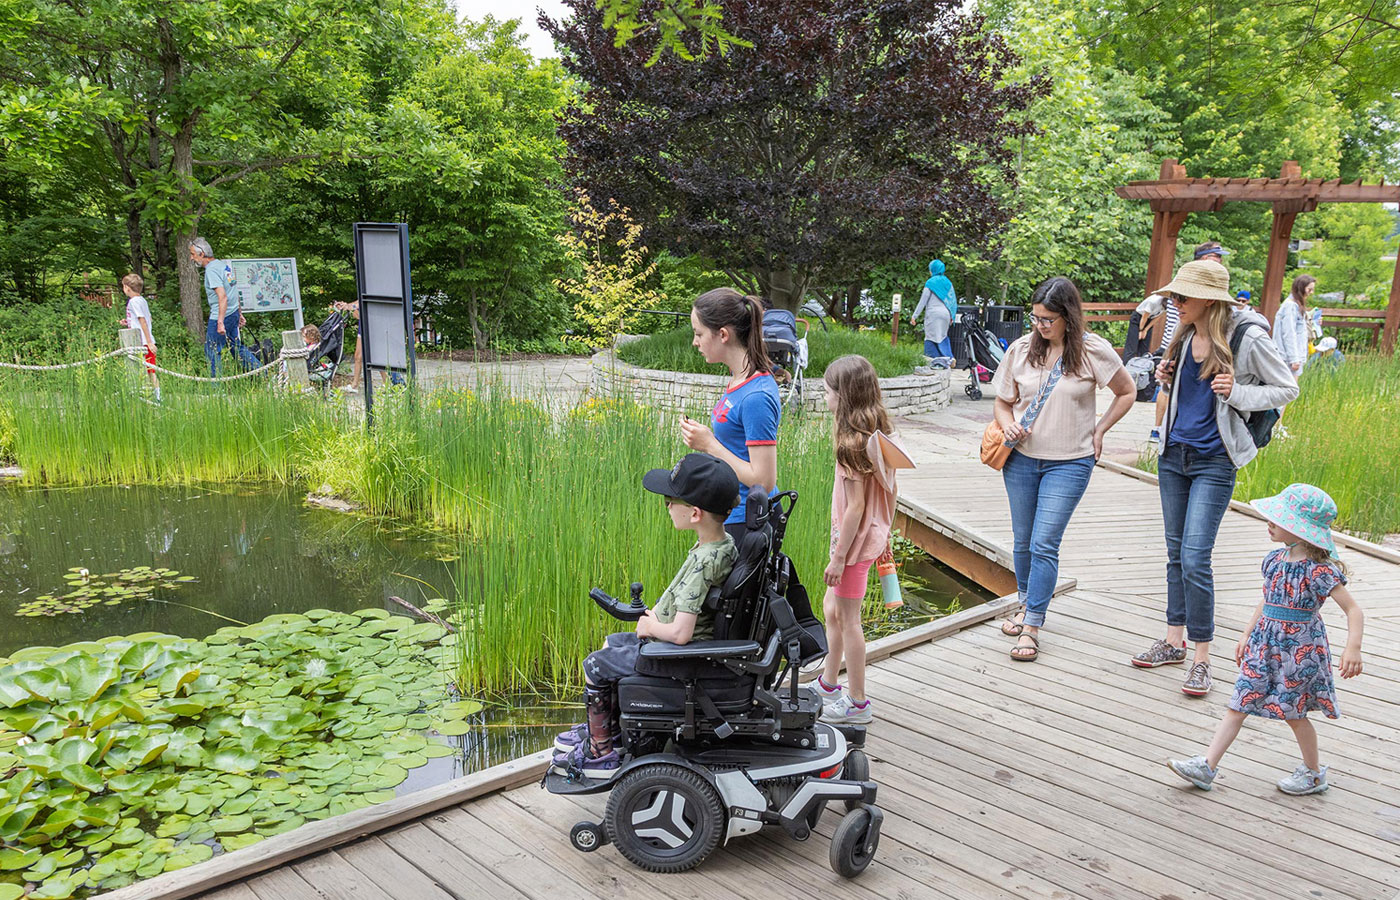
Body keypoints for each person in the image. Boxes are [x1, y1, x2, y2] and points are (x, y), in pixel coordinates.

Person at [1132, 259, 1299, 695]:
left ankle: (1202, 657)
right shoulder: (1185, 332)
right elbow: (1174, 389)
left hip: (1214, 461)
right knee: (1174, 554)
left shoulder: (1246, 336)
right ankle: (1174, 642)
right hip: (1173, 455)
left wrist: (1237, 391)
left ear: (1209, 299)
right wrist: (1164, 377)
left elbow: (1287, 387)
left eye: (1182, 297)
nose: (1175, 302)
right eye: (1174, 295)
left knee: (1194, 556)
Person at [550, 453, 740, 779]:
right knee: (613, 643)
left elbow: (681, 634)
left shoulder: (702, 564)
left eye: (670, 500)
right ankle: (607, 730)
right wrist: (656, 618)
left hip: (680, 657)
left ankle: (601, 752)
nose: (666, 505)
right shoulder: (722, 545)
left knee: (594, 665)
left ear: (694, 513)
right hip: (680, 647)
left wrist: (652, 625)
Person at [1168, 483, 1364, 795]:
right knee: (1239, 702)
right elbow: (1267, 600)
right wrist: (1247, 633)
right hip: (1263, 644)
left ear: (1300, 530)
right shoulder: (1275, 560)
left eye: (1279, 518)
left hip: (1299, 650)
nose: (1269, 521)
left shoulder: (1318, 571)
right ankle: (1207, 766)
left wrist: (1352, 647)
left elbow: (1353, 609)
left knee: (1294, 714)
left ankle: (1313, 773)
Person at [993, 277, 1136, 661]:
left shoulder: (1093, 351)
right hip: (1021, 458)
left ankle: (1033, 625)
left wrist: (1101, 429)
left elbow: (1127, 391)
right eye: (1036, 317)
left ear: (1068, 317)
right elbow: (1003, 401)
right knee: (1022, 542)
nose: (1039, 326)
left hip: (1070, 461)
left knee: (1044, 542)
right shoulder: (1022, 350)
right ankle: (1026, 603)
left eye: (1047, 319)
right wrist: (1007, 422)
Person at [813, 355, 903, 725]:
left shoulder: (851, 444)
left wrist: (838, 558)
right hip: (866, 539)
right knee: (831, 609)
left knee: (849, 619)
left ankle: (858, 702)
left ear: (844, 396)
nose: (825, 398)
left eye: (828, 392)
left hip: (853, 546)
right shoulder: (878, 434)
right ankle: (829, 682)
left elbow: (855, 508)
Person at [680, 288, 781, 544]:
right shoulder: (739, 380)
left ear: (723, 334)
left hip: (747, 521)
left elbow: (764, 481)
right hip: (731, 513)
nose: (695, 342)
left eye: (699, 333)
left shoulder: (756, 397)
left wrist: (709, 445)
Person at [190, 238, 260, 377]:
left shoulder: (211, 270)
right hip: (232, 312)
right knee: (236, 347)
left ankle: (217, 387)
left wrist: (220, 322)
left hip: (220, 316)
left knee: (212, 351)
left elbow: (222, 296)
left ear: (202, 254)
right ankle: (262, 373)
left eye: (193, 254)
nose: (191, 258)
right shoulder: (223, 266)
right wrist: (239, 313)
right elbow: (234, 290)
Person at [120, 273, 160, 401]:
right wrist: (128, 322)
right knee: (149, 370)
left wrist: (148, 342)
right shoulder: (142, 300)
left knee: (146, 370)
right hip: (144, 339)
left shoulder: (133, 301)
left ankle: (154, 396)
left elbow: (142, 320)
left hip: (142, 342)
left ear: (127, 288)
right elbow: (148, 319)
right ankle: (153, 395)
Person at [910, 259, 958, 362]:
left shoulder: (930, 283)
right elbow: (953, 300)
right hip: (946, 314)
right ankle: (949, 357)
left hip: (933, 314)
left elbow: (923, 301)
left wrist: (914, 316)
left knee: (930, 337)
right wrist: (952, 316)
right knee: (942, 336)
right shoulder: (948, 283)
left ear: (933, 270)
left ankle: (935, 360)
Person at [1272, 274, 1314, 376]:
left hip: (1293, 355)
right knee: (1291, 389)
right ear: (1301, 288)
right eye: (1309, 289)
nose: (1311, 293)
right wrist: (1294, 358)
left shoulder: (1296, 305)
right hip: (1287, 357)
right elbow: (1288, 332)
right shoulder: (1290, 306)